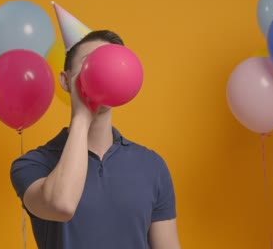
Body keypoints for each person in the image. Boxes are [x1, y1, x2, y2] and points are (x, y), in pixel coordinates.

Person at [10, 29, 180, 249]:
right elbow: (61, 205)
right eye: (90, 62)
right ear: (65, 80)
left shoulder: (152, 165)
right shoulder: (32, 164)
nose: (103, 71)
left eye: (110, 63)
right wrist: (81, 116)